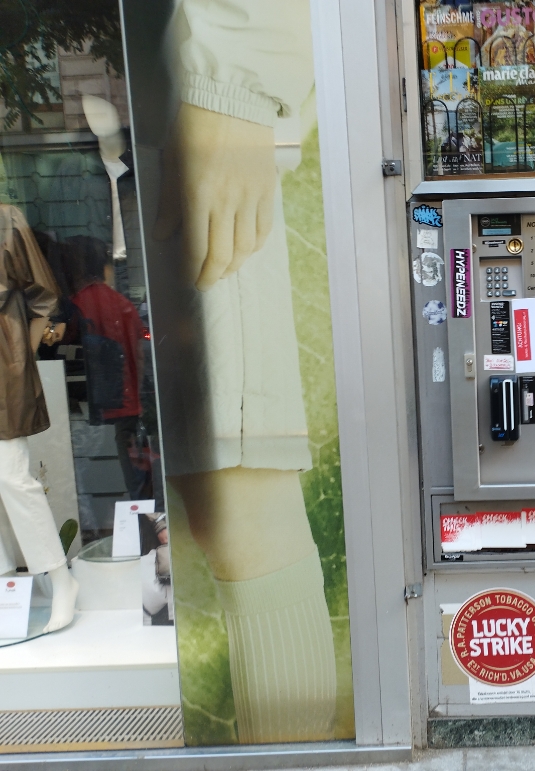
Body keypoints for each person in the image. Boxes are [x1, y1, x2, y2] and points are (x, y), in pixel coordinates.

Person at [140, 0, 336, 742]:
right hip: (195, 100)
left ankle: (304, 752)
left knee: (244, 498)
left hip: (212, 110)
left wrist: (237, 83)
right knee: (221, 492)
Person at [0, 204, 78, 634]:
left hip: (4, 367)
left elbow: (43, 297)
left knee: (12, 476)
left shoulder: (5, 222)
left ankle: (59, 578)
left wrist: (22, 360)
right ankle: (7, 582)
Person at [65, 236, 150, 500]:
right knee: (132, 457)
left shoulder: (78, 302)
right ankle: (141, 505)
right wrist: (138, 393)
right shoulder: (122, 303)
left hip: (97, 401)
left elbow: (64, 345)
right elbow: (139, 353)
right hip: (128, 398)